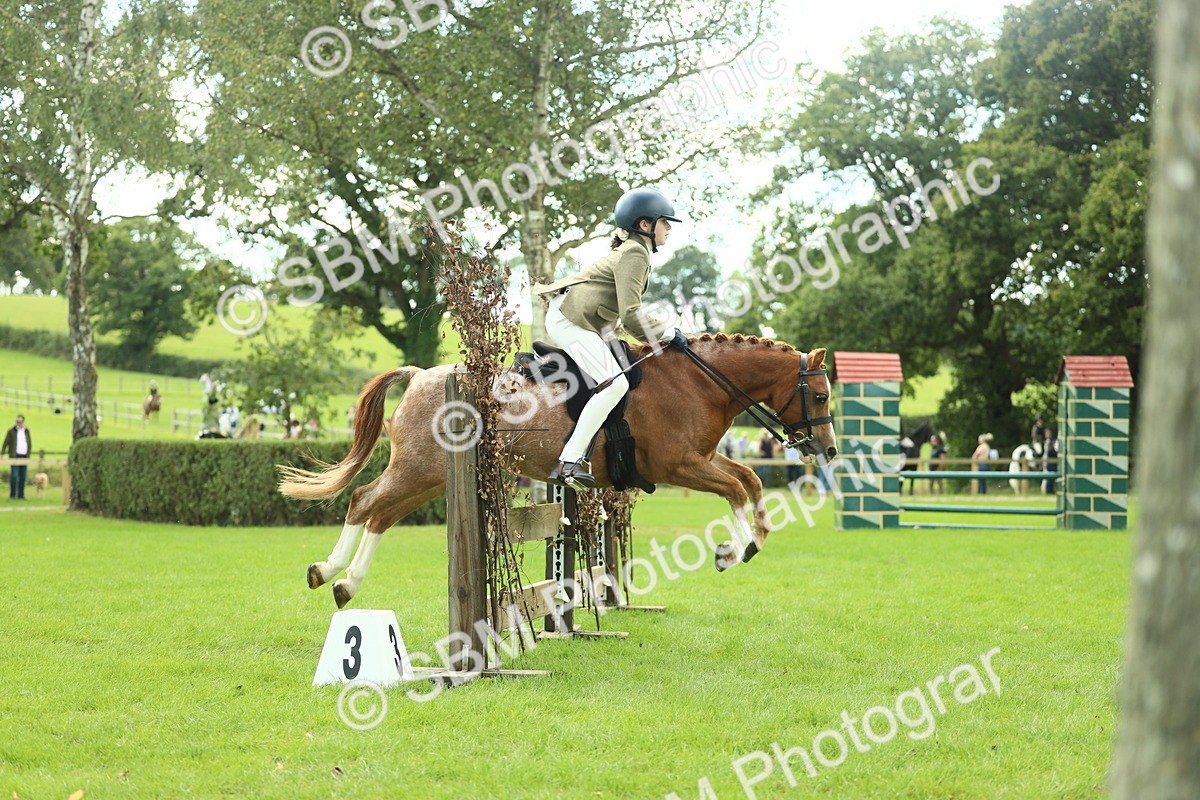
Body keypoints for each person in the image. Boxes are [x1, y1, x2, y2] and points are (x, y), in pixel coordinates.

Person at [532, 187, 687, 489]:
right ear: (645, 225)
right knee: (616, 383)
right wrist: (669, 332)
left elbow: (627, 321)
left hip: (579, 320)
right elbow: (631, 314)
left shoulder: (634, 251)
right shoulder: (634, 253)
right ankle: (569, 461)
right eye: (665, 222)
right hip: (569, 321)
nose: (669, 228)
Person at [3, 415, 32, 500]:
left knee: (23, 476)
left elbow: (29, 442)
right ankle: (12, 495)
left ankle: (21, 495)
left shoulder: (26, 431)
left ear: (23, 422)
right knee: (14, 476)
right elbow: (6, 442)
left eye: (20, 422)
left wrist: (28, 453)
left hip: (24, 456)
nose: (18, 423)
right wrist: (2, 453)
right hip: (15, 456)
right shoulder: (11, 431)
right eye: (17, 422)